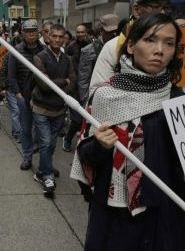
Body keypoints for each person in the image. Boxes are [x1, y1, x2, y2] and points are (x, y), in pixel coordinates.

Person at [76, 14, 185, 250]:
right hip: (116, 216)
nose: (159, 50)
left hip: (165, 213)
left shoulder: (178, 99)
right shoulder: (104, 96)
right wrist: (99, 144)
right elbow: (85, 156)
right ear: (131, 45)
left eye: (169, 43)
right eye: (150, 40)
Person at [89, 0, 174, 96]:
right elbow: (97, 93)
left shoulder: (174, 45)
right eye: (156, 7)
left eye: (166, 7)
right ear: (136, 10)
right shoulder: (113, 47)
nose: (163, 13)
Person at [64, 14, 121, 153]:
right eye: (110, 32)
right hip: (91, 95)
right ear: (101, 31)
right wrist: (86, 101)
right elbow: (83, 79)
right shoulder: (89, 50)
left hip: (113, 96)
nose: (114, 35)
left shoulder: (122, 46)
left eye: (116, 32)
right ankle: (69, 139)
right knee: (81, 123)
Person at [31, 24, 76, 194]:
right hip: (41, 108)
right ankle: (47, 176)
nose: (57, 39)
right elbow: (44, 84)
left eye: (61, 36)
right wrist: (63, 81)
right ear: (48, 36)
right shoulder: (39, 57)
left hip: (59, 109)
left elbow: (73, 81)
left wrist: (62, 82)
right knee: (45, 141)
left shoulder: (67, 59)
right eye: (54, 36)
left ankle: (43, 170)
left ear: (65, 38)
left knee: (51, 144)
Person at [8, 19, 44, 170]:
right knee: (25, 129)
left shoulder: (44, 50)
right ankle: (27, 158)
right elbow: (11, 75)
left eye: (33, 31)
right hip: (23, 96)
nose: (30, 34)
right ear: (22, 33)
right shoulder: (16, 50)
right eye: (27, 32)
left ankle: (45, 163)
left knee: (43, 132)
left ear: (38, 33)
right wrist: (18, 95)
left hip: (42, 98)